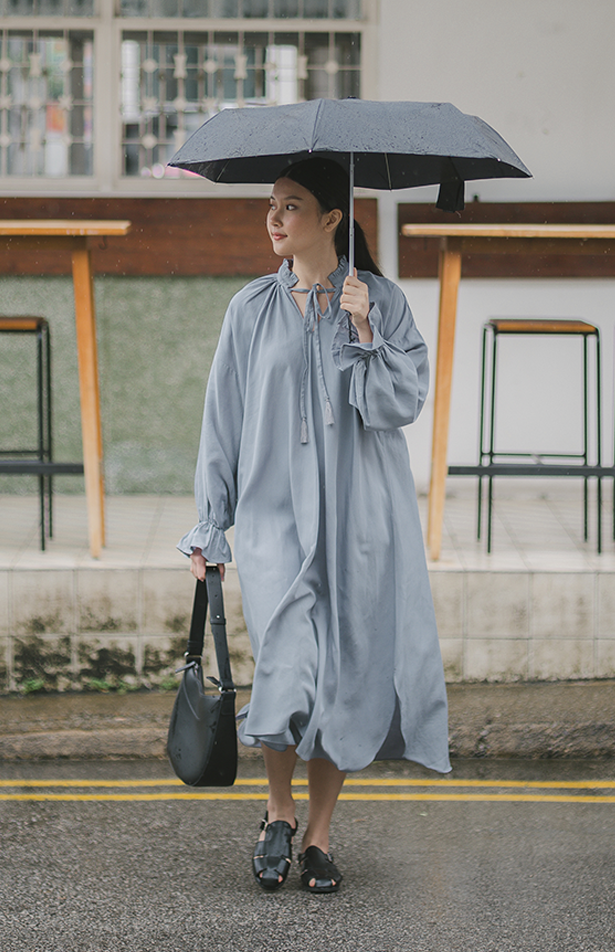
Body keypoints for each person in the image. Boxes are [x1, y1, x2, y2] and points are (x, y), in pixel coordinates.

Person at [178, 156, 450, 894]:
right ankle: (276, 812)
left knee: (344, 678)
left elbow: (399, 405)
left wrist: (364, 328)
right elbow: (222, 423)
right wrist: (212, 525)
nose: (273, 219)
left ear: (331, 219)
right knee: (286, 670)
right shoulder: (250, 309)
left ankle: (321, 837)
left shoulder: (381, 302)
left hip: (359, 520)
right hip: (272, 524)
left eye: (291, 206)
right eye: (271, 205)